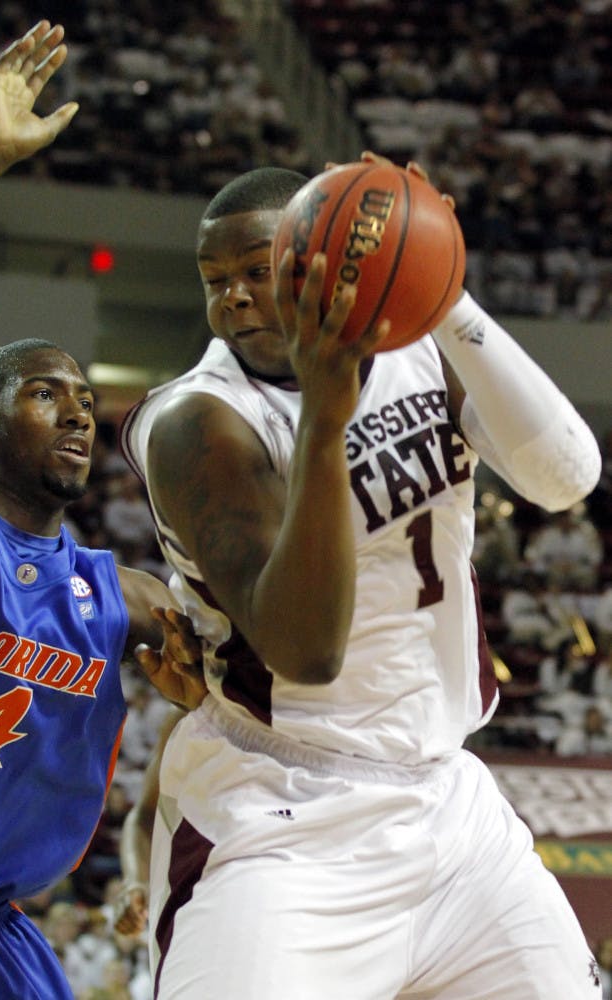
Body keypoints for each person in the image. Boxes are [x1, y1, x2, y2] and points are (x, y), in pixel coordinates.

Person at [120, 159, 603, 998]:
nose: (232, 297)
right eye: (214, 281)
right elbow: (305, 650)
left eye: (257, 271)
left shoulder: (422, 352)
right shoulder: (199, 422)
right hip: (283, 811)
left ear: (329, 261)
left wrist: (441, 283)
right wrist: (326, 419)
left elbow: (566, 477)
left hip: (452, 805)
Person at [0, 21, 202, 1000]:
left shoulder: (120, 593)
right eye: (44, 391)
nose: (76, 406)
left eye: (84, 395)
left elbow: (253, 699)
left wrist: (151, 844)